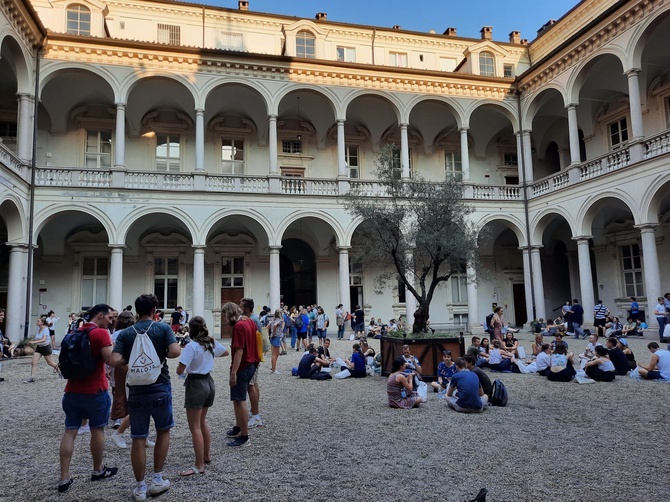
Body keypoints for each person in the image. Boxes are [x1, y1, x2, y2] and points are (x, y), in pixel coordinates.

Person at [111, 294, 181, 501]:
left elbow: (115, 360)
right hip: (159, 384)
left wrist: (133, 358)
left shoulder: (126, 333)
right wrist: (161, 353)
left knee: (138, 438)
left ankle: (140, 487)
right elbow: (175, 351)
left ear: (136, 310)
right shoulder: (162, 328)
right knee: (162, 431)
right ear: (155, 310)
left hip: (137, 389)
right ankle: (157, 480)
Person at [56, 303, 118, 494]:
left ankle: (64, 478)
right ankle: (97, 470)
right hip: (95, 391)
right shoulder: (100, 333)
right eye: (109, 317)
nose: (111, 321)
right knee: (97, 430)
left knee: (70, 432)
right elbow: (110, 360)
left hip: (72, 391)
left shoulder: (75, 331)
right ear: (99, 315)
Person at [176, 316, 228, 476]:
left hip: (196, 384)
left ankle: (199, 465)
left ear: (191, 330)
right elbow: (226, 352)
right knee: (202, 421)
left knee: (195, 426)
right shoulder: (210, 343)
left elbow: (180, 369)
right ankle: (206, 456)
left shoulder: (192, 346)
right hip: (209, 382)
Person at [222, 299, 259, 448]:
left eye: (225, 316)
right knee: (237, 399)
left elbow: (239, 350)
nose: (224, 320)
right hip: (251, 364)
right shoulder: (249, 321)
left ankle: (244, 437)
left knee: (239, 400)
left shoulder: (239, 326)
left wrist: (233, 373)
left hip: (243, 366)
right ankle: (239, 426)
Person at [109, 311, 139, 447]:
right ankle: (126, 421)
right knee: (130, 394)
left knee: (117, 392)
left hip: (117, 366)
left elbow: (110, 354)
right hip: (128, 366)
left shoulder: (114, 334)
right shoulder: (132, 333)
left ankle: (118, 419)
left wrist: (107, 369)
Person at [240, 298, 264, 431]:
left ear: (247, 309)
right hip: (255, 356)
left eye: (241, 306)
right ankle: (254, 411)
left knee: (250, 385)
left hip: (252, 357)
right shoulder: (253, 318)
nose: (239, 309)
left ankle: (256, 416)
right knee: (254, 384)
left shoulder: (252, 320)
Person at [23, 317, 60, 383]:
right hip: (39, 348)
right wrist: (31, 342)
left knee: (50, 363)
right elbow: (37, 339)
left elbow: (44, 339)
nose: (37, 322)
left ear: (42, 323)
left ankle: (61, 372)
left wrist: (34, 342)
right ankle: (32, 377)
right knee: (34, 362)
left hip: (46, 347)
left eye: (38, 321)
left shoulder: (46, 329)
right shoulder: (39, 330)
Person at [268, 309, 284, 374]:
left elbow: (268, 326)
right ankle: (274, 369)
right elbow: (275, 325)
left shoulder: (272, 320)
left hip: (272, 337)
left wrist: (270, 333)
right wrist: (274, 332)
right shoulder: (280, 320)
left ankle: (273, 367)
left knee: (275, 354)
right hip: (276, 336)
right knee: (275, 354)